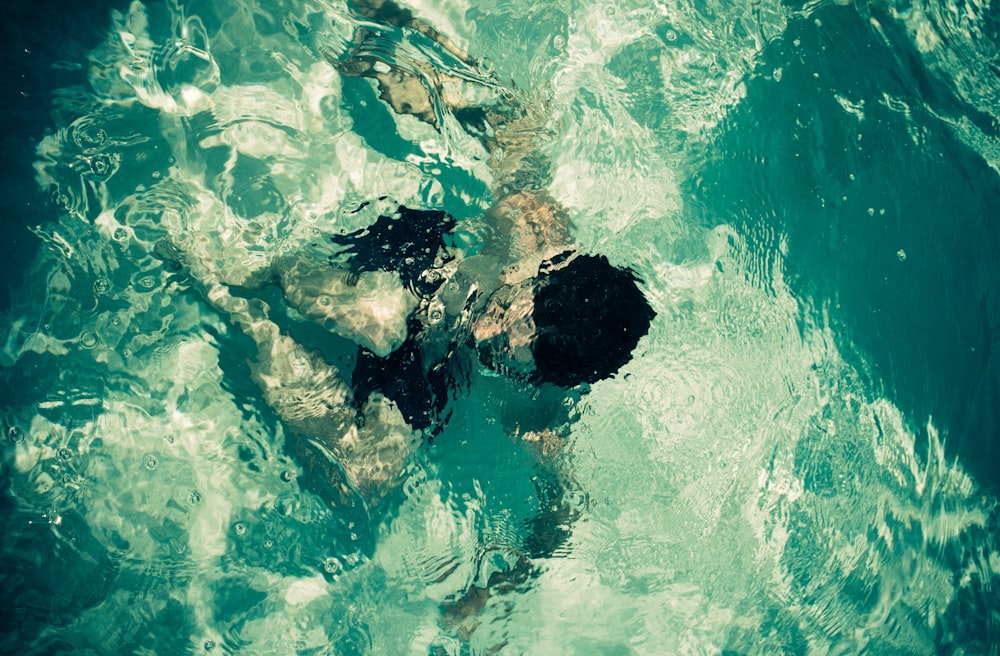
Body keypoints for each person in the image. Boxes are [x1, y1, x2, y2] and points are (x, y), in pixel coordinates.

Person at [185, 0, 656, 643]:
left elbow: (559, 518)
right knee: (377, 316)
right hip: (411, 267)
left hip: (430, 366)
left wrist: (491, 593)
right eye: (507, 309)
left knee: (359, 483)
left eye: (517, 354)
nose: (492, 332)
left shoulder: (540, 418)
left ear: (549, 376)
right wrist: (404, 39)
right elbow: (509, 119)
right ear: (550, 267)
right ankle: (246, 273)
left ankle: (240, 318)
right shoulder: (534, 229)